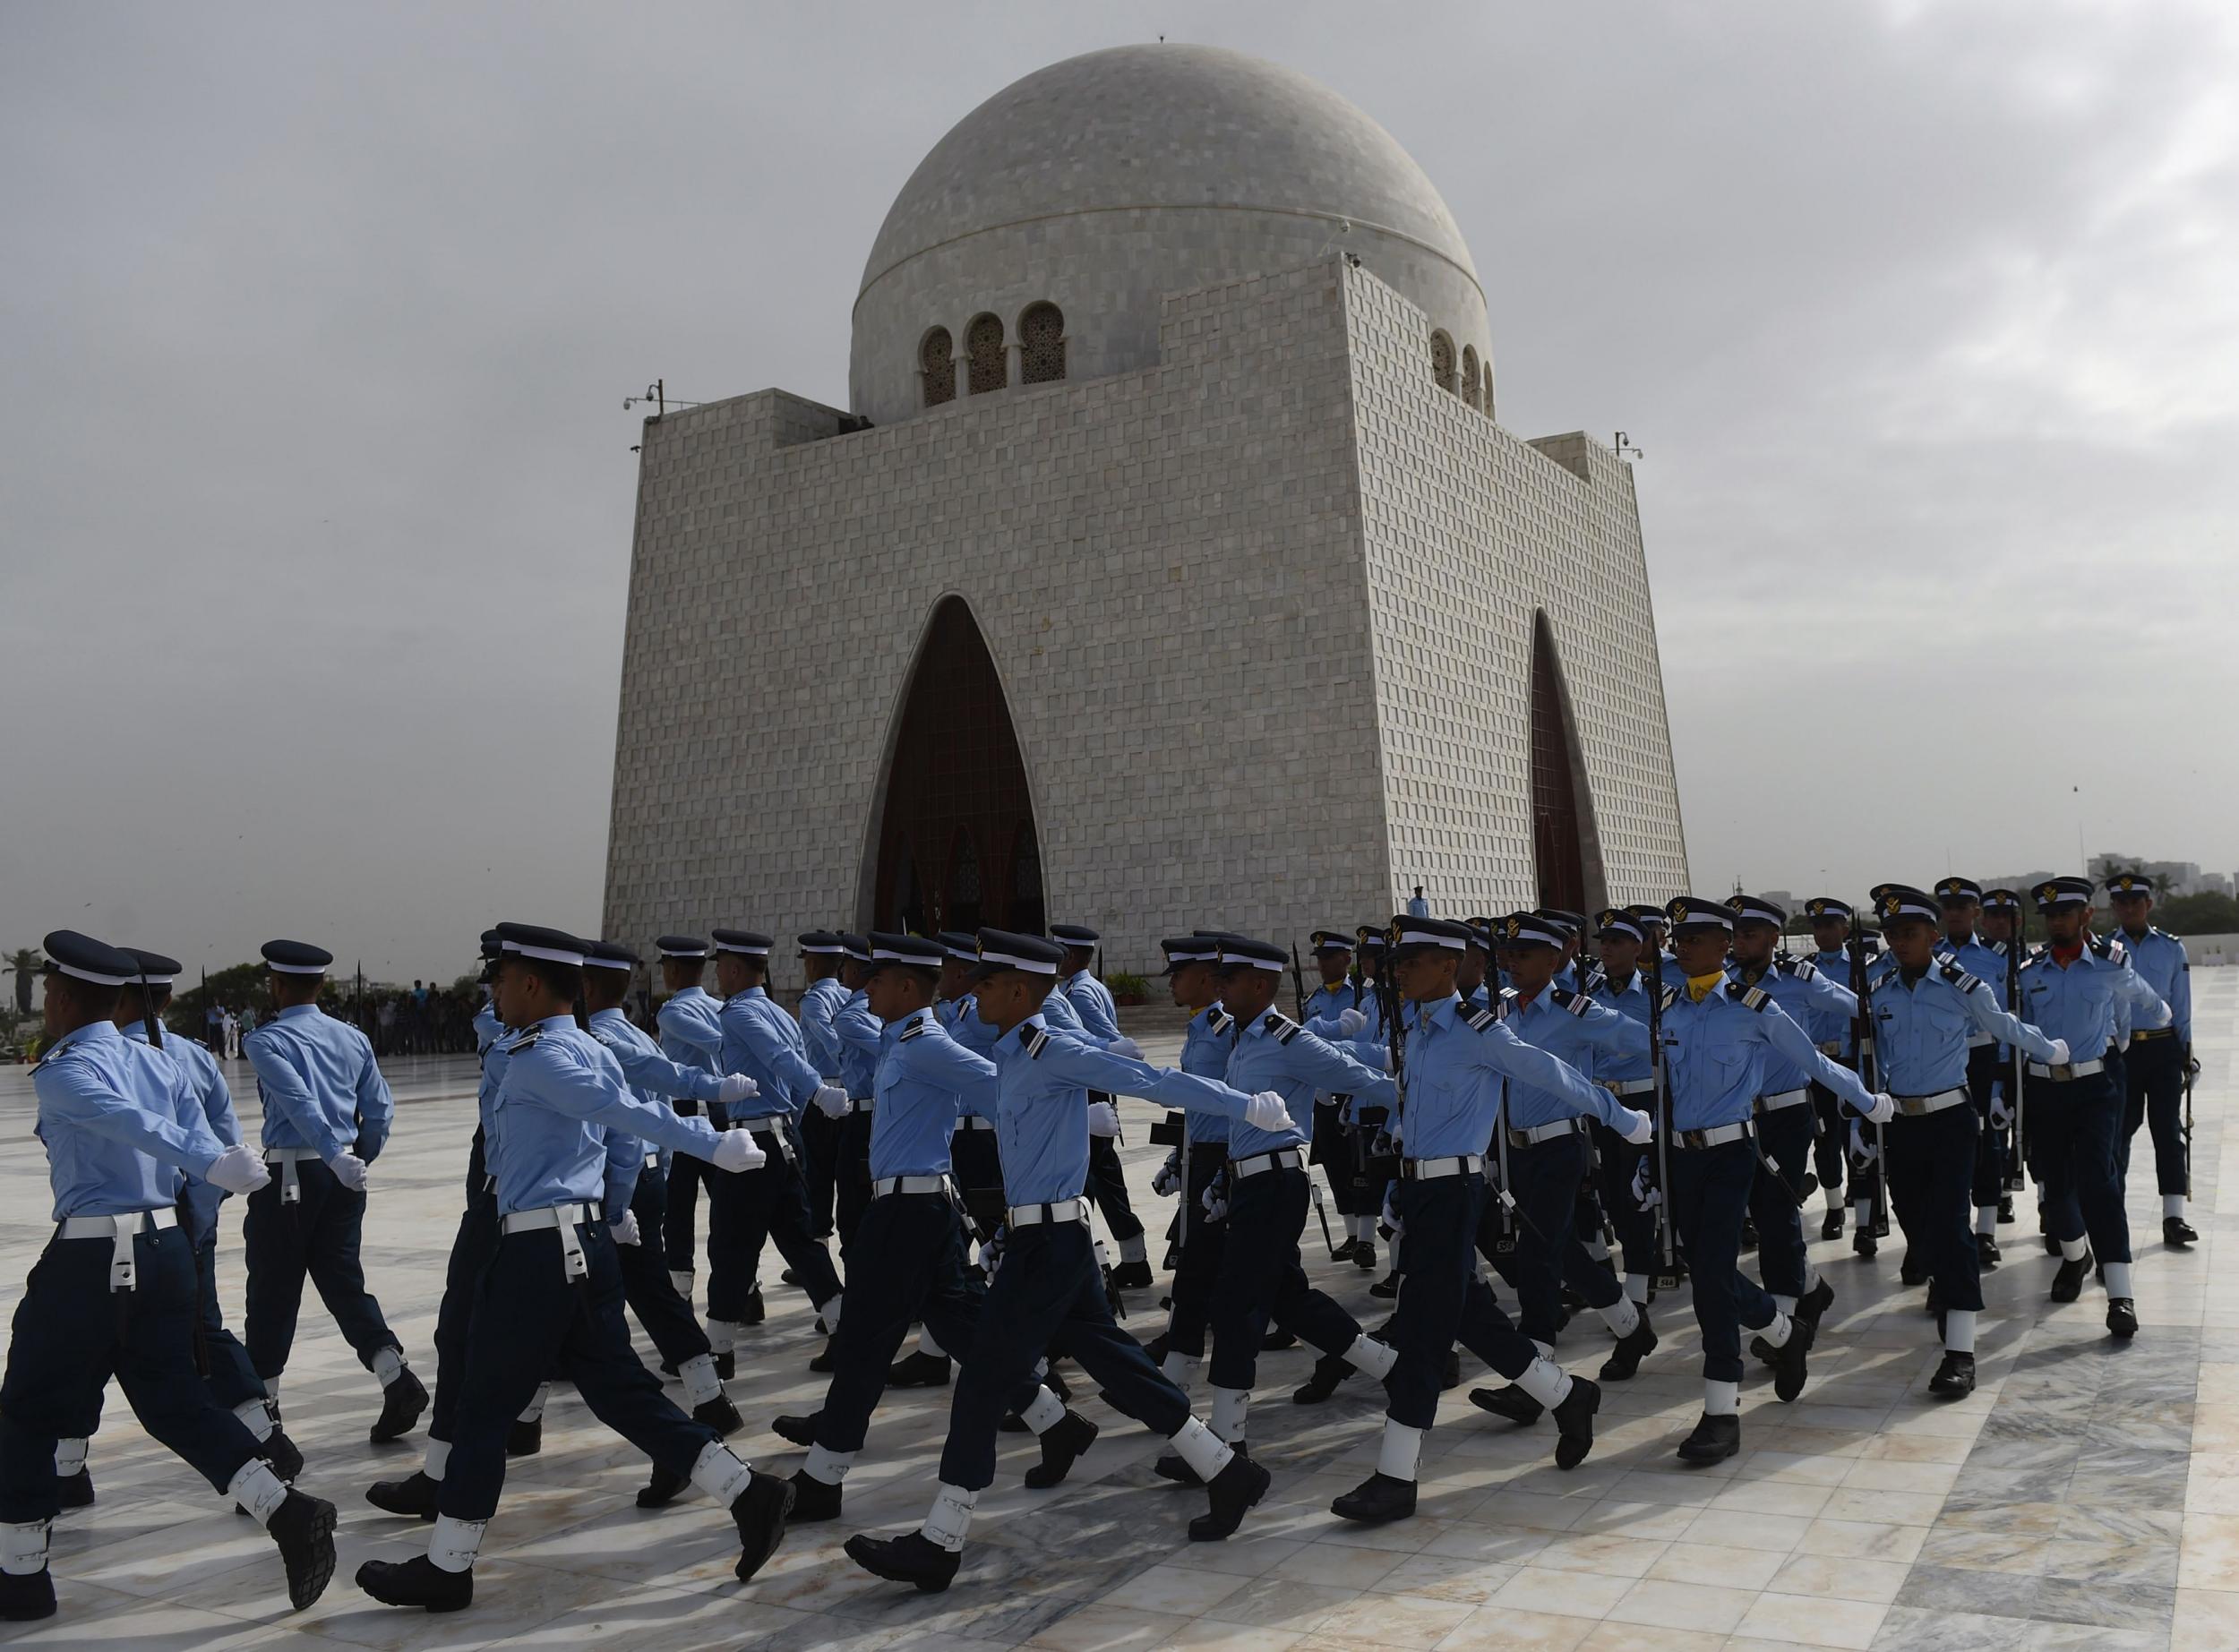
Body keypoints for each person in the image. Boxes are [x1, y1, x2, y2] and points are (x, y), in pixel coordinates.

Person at [356, 924, 787, 1612]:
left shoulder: (536, 1058)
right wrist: (616, 1210)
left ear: (531, 983)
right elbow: (622, 1130)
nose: (494, 990)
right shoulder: (586, 1046)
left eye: (502, 979)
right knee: (622, 1392)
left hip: (535, 1255)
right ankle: (748, 1491)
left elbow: (619, 1112)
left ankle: (448, 1564)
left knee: (484, 1402)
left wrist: (708, 1142)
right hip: (581, 1247)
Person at [844, 930, 1290, 1592]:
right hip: (1046, 1242)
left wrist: (1246, 1104)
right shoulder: (1010, 1055)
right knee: (1121, 1366)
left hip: (1048, 1248)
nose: (976, 989)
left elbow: (1151, 1078)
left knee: (981, 1384)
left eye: (988, 982)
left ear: (1019, 990)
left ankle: (940, 1539)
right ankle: (1226, 1468)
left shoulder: (1054, 1050)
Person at [4, 931, 334, 1622]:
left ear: (61, 997)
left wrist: (212, 1162)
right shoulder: (157, 1061)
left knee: (28, 1411)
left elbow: (124, 1121)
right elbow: (183, 1130)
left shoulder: (65, 1069)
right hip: (165, 1252)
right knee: (177, 1402)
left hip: (93, 1259)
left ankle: (21, 1576)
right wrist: (215, 1167)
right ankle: (287, 1509)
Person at [1332, 916, 1643, 1526]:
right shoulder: (1418, 1031)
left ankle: (1396, 1476)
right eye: (1397, 962)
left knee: (1422, 1334)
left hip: (1455, 1193)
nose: (1399, 972)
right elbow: (1409, 1103)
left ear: (1449, 966)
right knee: (1474, 1318)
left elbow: (1552, 1071)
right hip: (1424, 1194)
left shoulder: (1480, 1031)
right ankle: (1567, 1394)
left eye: (1412, 961)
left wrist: (1622, 1116)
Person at [776, 934, 1094, 1521]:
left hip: (909, 1213)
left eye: (878, 977)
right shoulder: (897, 1041)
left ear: (906, 986)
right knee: (965, 1330)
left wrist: (1068, 1116)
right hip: (914, 1210)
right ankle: (1055, 1419)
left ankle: (823, 1477)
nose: (866, 986)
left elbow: (1004, 1085)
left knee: (864, 1340)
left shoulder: (927, 1046)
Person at [50, 950, 306, 1510]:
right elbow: (223, 1136)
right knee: (202, 1333)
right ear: (168, 999)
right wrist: (203, 1212)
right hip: (185, 1221)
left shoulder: (91, 1061)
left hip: (119, 1232)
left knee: (81, 1350)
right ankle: (264, 1437)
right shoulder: (189, 1055)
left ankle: (67, 1468)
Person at [1652, 898, 1891, 1464]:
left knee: (1711, 1278)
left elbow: (1816, 1063)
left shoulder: (1752, 1008)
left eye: (1694, 940)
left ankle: (1720, 1412)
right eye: (1677, 940)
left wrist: (1868, 1104)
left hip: (1734, 1152)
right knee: (1704, 1270)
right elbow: (1667, 1094)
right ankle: (1786, 1333)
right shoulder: (1670, 1009)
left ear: (1723, 946)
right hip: (1684, 1159)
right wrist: (1652, 1159)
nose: (1680, 949)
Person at [1180, 937, 1401, 1445]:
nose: (1219, 988)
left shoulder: (1289, 1041)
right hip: (1249, 1182)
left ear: (1259, 985)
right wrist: (1223, 1177)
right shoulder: (1244, 1039)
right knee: (1289, 1300)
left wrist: (1418, 1115)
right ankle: (1390, 1365)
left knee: (1237, 1304)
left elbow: (1362, 1078)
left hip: (1276, 1184)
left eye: (1227, 980)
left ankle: (1225, 1436)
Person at [1865, 886, 2066, 1394]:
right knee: (1915, 1220)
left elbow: (2005, 1026)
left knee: (1952, 1228)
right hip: (1902, 1121)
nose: (1899, 942)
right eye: (1891, 934)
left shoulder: (1960, 985)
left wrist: (2053, 1050)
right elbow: (1870, 1058)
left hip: (1951, 1119)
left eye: (1909, 933)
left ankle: (1960, 1351)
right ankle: (1948, 1286)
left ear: (1933, 936)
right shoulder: (1880, 988)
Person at [1469, 912, 1658, 1434]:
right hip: (1515, 1151)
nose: (1510, 963)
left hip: (1560, 1147)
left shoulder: (1575, 1011)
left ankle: (1534, 1380)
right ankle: (1629, 1325)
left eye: (1522, 955)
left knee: (1537, 1256)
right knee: (1560, 1248)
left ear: (1554, 961)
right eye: (1507, 955)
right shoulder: (1499, 1010)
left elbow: (1645, 1038)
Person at [240, 939, 426, 1442]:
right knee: (342, 1280)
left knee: (273, 1291)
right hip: (343, 1176)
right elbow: (381, 1110)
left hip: (292, 1176)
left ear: (276, 984)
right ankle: (394, 1373)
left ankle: (264, 1417)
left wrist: (332, 1154)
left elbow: (297, 1101)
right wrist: (354, 1159)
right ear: (321, 984)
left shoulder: (266, 1040)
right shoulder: (352, 1037)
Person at [579, 941, 755, 1474]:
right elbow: (669, 1083)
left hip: (621, 1181)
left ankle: (698, 1408)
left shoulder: (601, 1039)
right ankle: (705, 1393)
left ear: (588, 988)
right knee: (633, 1290)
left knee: (620, 1295)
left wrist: (617, 1204)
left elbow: (626, 1126)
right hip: (650, 1172)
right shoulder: (632, 1032)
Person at [2018, 877, 2169, 1338]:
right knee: (2055, 1185)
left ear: (2086, 916)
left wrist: (2121, 1050)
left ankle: (2120, 1296)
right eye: (2051, 915)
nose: (2058, 922)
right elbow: (2021, 1029)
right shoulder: (2029, 971)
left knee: (2098, 1182)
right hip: (2045, 1090)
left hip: (2095, 1089)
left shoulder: (2110, 965)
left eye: (2067, 913)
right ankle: (2075, 1255)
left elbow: (2143, 1011)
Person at [708, 929, 846, 1369]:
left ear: (733, 968)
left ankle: (719, 1350)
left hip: (752, 1138)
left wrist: (820, 1092)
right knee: (799, 1238)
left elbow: (780, 1060)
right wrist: (798, 1112)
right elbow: (796, 1060)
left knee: (732, 1242)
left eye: (721, 966)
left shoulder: (737, 1015)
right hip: (785, 1135)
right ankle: (843, 1328)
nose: (718, 975)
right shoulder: (780, 1013)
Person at [1722, 896, 1853, 1331]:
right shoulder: (1724, 983)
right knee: (1761, 1212)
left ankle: (1786, 1319)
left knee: (1778, 1214)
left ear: (1774, 937)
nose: (1740, 943)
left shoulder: (1801, 980)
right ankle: (1812, 1287)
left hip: (1789, 1111)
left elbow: (1859, 1007)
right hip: (1743, 1118)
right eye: (1736, 934)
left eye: (1750, 934)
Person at [1050, 924, 1151, 1288]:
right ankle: (1133, 1257)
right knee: (1105, 1179)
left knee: (1085, 1181)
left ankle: (1089, 1265)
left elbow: (1106, 1041)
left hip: (1089, 1090)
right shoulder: (1092, 988)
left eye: (1060, 952)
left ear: (1074, 956)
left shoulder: (1078, 994)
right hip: (1096, 1089)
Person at [2103, 871, 2197, 1245]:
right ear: (2114, 907)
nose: (2128, 908)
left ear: (2149, 904)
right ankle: (2113, 1214)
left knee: (2168, 1131)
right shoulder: (2104, 948)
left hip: (2161, 1048)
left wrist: (2188, 1054)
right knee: (2117, 1134)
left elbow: (2181, 1004)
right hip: (2121, 1052)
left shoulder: (2171, 948)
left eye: (2135, 902)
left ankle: (2174, 1217)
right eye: (2122, 903)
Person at [1934, 877, 2020, 1264]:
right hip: (1939, 1058)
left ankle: (1985, 1230)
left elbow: (2007, 1019)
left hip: (1983, 1054)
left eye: (1961, 907)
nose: (1954, 913)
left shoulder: (1996, 956)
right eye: (1947, 907)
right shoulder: (1927, 953)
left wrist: (2002, 1079)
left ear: (1975, 913)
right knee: (1944, 1146)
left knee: (1987, 1141)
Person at [650, 935, 735, 1315]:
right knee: (727, 1208)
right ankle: (745, 1289)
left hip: (686, 1114)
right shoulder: (720, 1006)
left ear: (672, 970)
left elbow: (716, 1043)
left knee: (679, 1212)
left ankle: (680, 1299)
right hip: (718, 1111)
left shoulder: (670, 1013)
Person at [1300, 931, 1377, 1269]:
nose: (1323, 964)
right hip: (1323, 1090)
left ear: (1347, 960)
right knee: (1333, 1159)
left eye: (1330, 957)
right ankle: (1350, 1232)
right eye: (1319, 958)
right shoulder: (1312, 999)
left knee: (1362, 1161)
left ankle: (1366, 1237)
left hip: (1354, 1086)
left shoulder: (1364, 995)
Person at [794, 931, 852, 1242]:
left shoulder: (814, 1001)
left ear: (813, 964)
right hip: (852, 1095)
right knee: (848, 1176)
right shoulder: (850, 996)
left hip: (821, 1098)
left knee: (817, 1176)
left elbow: (834, 1044)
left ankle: (819, 1246)